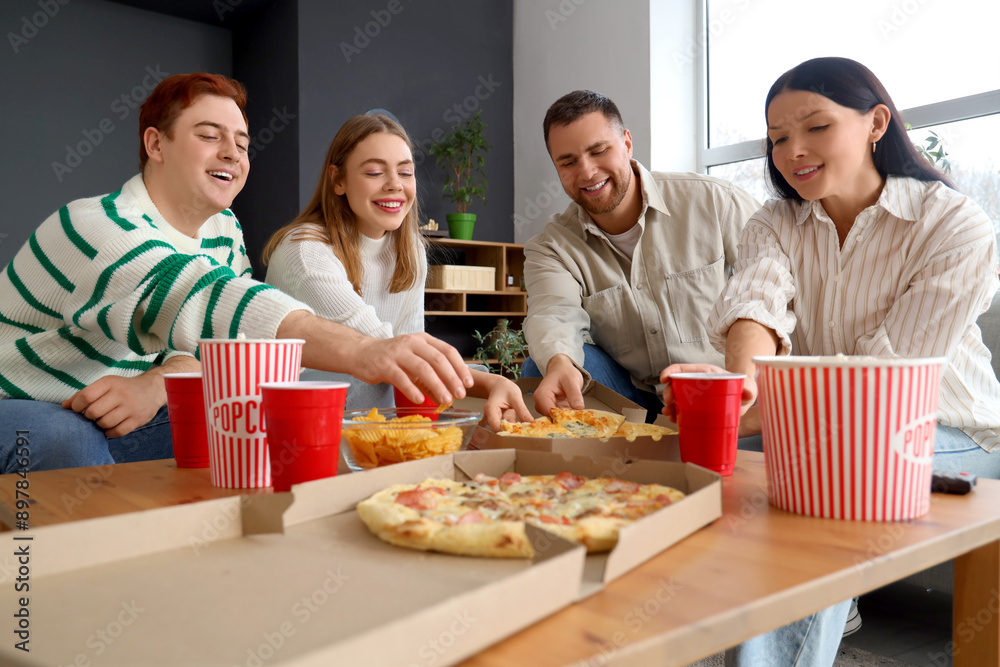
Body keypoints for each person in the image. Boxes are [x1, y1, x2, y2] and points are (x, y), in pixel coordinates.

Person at [663, 57, 1000, 666]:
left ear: (876, 123)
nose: (794, 150)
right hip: (823, 429)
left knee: (816, 460)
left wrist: (756, 416)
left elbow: (886, 380)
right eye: (778, 138)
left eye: (815, 127)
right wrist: (738, 391)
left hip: (947, 432)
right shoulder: (775, 221)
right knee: (748, 459)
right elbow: (757, 308)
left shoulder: (955, 224)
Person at [0, 73, 473, 474]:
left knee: (253, 421)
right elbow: (201, 300)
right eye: (209, 136)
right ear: (155, 143)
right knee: (64, 440)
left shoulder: (222, 230)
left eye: (242, 143)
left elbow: (232, 347)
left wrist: (159, 382)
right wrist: (365, 350)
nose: (232, 153)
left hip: (131, 415)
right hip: (31, 405)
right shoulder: (94, 225)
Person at [262, 113, 533, 430]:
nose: (394, 185)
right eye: (375, 172)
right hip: (303, 429)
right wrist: (488, 383)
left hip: (376, 429)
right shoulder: (305, 251)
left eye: (405, 172)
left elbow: (409, 341)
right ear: (338, 180)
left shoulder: (410, 250)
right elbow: (387, 348)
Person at [520, 90, 760, 421]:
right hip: (636, 398)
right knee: (543, 364)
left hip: (725, 389)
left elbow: (773, 293)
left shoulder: (716, 202)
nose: (587, 172)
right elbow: (553, 313)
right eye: (568, 161)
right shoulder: (552, 248)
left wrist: (741, 378)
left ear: (627, 144)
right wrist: (560, 362)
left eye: (598, 150)